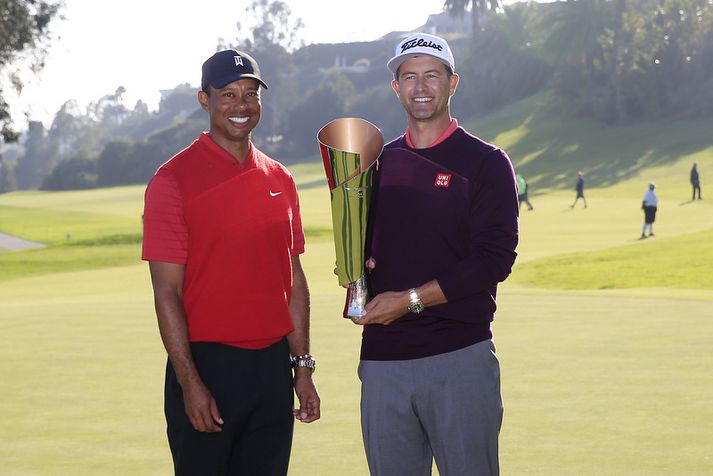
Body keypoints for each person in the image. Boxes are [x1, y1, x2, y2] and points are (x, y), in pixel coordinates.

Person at [141, 49, 320, 475]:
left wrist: (302, 368)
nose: (241, 105)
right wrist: (190, 382)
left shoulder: (281, 178)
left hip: (272, 371)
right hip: (209, 368)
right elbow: (166, 293)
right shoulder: (172, 181)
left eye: (250, 94)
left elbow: (292, 281)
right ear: (205, 100)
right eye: (228, 94)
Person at [353, 33, 519, 476]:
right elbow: (367, 253)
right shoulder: (376, 164)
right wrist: (356, 273)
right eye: (409, 76)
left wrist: (409, 301)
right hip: (383, 362)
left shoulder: (485, 162)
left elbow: (494, 259)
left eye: (431, 75)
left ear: (452, 83)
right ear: (396, 88)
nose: (420, 86)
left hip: (458, 356)